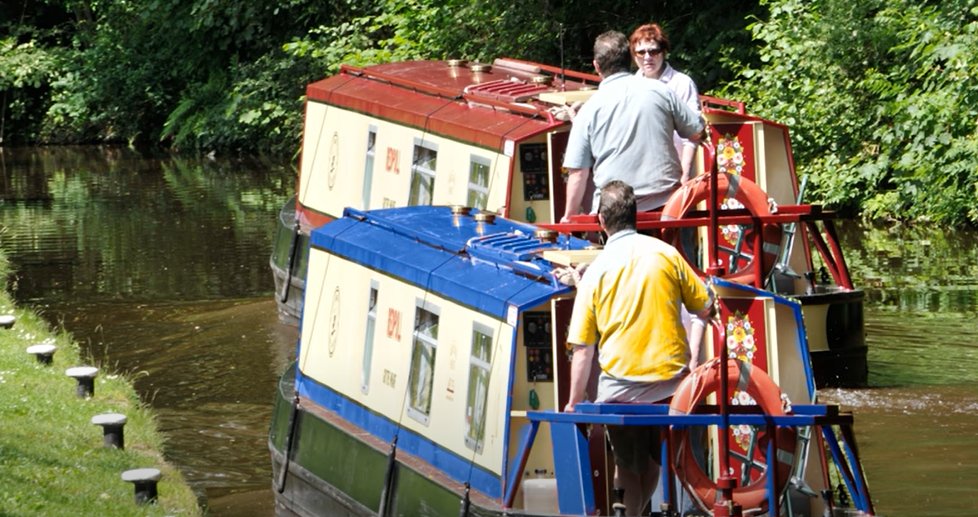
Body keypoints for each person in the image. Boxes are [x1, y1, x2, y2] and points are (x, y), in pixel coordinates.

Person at [563, 180, 715, 516]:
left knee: (627, 466)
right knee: (650, 461)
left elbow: (584, 348)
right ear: (636, 216)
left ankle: (631, 513)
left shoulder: (596, 270)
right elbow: (705, 308)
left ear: (602, 222)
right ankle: (639, 510)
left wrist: (575, 402)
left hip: (622, 388)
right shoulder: (667, 254)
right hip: (672, 386)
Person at [561, 31, 703, 222]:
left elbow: (578, 173)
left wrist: (569, 217)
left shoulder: (588, 109)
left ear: (596, 66)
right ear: (630, 59)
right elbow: (697, 133)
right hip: (667, 206)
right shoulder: (662, 91)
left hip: (616, 211)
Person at [629, 23, 702, 182]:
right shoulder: (630, 87)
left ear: (663, 52)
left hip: (676, 174)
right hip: (641, 176)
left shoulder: (682, 83)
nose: (647, 57)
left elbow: (693, 134)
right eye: (641, 52)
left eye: (653, 51)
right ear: (634, 56)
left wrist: (685, 173)